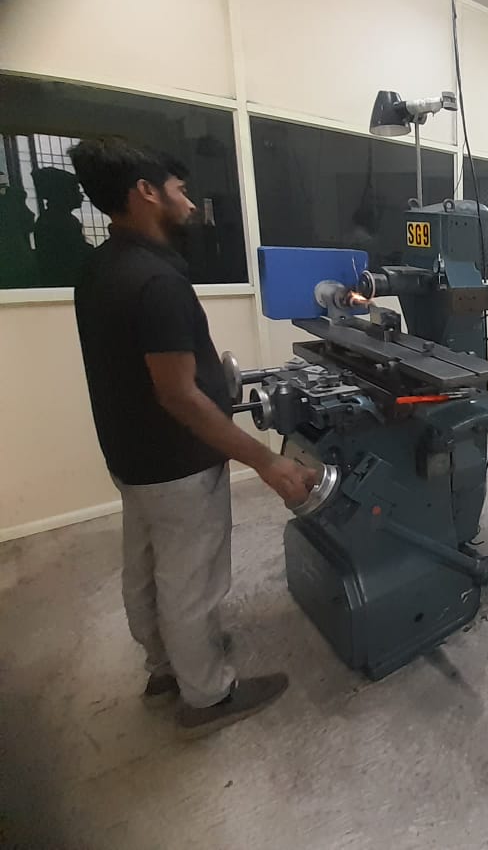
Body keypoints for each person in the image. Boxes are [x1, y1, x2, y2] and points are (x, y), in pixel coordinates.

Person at [70, 137, 317, 739]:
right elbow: (179, 396)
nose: (189, 201)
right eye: (179, 189)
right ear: (146, 192)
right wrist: (267, 463)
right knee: (192, 581)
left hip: (131, 455)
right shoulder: (157, 282)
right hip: (178, 463)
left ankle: (164, 668)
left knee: (146, 565)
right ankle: (206, 695)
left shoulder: (100, 267)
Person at [32, 166, 94, 287]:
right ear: (62, 193)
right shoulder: (58, 222)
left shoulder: (49, 219)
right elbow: (76, 255)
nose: (81, 196)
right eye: (75, 190)